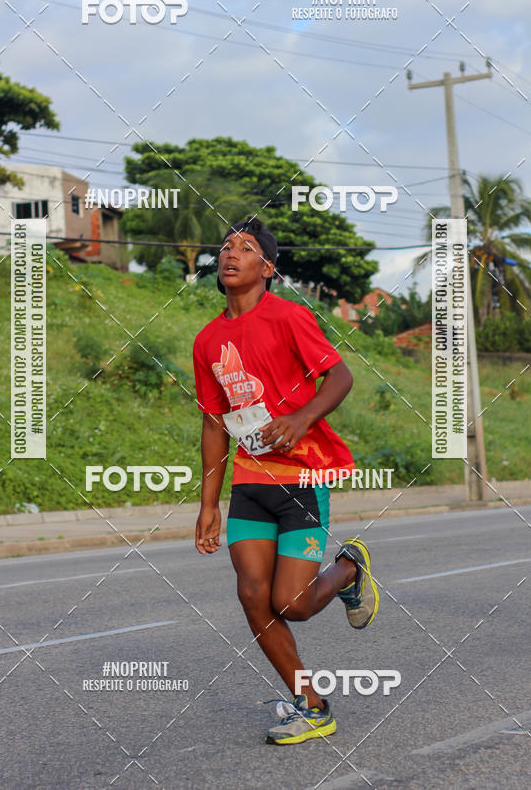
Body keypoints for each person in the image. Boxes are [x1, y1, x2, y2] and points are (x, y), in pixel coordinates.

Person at [192, 218, 378, 745]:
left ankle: (350, 567)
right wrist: (209, 505)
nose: (231, 253)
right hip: (249, 484)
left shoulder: (289, 317)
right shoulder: (207, 339)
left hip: (302, 477)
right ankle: (311, 705)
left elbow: (339, 375)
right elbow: (213, 423)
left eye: (246, 248)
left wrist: (301, 419)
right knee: (253, 597)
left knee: (292, 603)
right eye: (226, 245)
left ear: (266, 268)